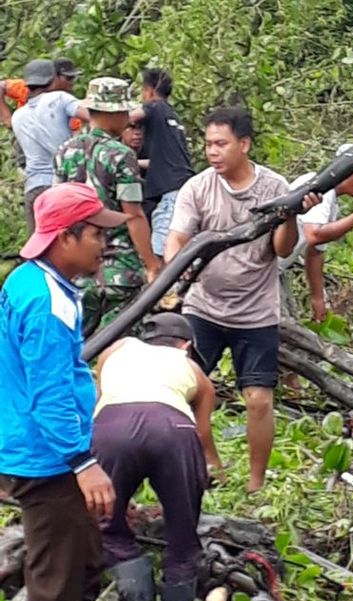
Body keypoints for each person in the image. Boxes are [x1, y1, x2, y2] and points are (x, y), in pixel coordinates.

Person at [0, 183, 120, 601]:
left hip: (40, 445)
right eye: (95, 234)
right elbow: (48, 392)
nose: (103, 245)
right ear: (64, 237)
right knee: (56, 571)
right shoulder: (45, 300)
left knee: (82, 550)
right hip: (44, 456)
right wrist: (81, 460)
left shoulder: (36, 283)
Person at [165, 107, 320, 492]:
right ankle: (210, 463)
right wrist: (175, 268)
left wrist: (288, 216)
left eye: (221, 144)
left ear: (244, 144)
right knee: (190, 389)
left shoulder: (274, 186)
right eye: (208, 145)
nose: (212, 152)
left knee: (259, 401)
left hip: (256, 311)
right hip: (204, 307)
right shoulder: (197, 188)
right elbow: (177, 239)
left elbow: (283, 251)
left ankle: (255, 484)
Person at [92, 313, 221, 601]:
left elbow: (100, 402)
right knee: (183, 527)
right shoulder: (194, 371)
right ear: (185, 346)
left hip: (112, 429)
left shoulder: (114, 350)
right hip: (174, 431)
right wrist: (211, 469)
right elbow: (201, 435)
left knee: (106, 520)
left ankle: (137, 592)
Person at [54, 77, 159, 334]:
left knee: (78, 345)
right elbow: (133, 215)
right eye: (124, 112)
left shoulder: (64, 151)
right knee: (121, 348)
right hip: (120, 270)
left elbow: (56, 209)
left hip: (77, 267)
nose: (127, 117)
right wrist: (152, 265)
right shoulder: (121, 155)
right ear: (112, 113)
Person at [279, 143, 353, 321]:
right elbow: (314, 234)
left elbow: (315, 251)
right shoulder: (319, 186)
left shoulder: (332, 202)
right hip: (260, 270)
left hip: (275, 271)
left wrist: (318, 299)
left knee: (289, 324)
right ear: (351, 171)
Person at [3, 59, 89, 231]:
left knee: (39, 246)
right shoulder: (60, 98)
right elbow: (94, 118)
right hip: (60, 185)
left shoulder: (18, 115)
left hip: (34, 188)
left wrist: (7, 119)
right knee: (72, 242)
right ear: (53, 78)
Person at [129, 68, 194, 259]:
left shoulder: (155, 107)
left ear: (149, 91)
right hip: (183, 185)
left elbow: (129, 117)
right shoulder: (171, 117)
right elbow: (156, 162)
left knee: (162, 253)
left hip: (170, 193)